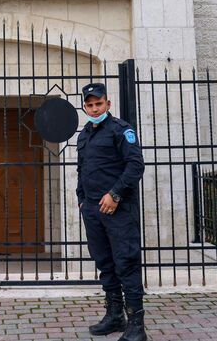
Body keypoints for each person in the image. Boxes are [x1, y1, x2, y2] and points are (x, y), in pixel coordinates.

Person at [76, 82, 147, 341]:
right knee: (104, 263)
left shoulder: (121, 130)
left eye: (99, 104)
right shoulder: (84, 134)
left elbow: (135, 166)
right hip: (93, 210)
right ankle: (115, 316)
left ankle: (137, 325)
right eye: (90, 105)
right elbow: (81, 170)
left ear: (108, 104)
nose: (95, 109)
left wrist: (115, 195)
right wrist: (82, 199)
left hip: (118, 209)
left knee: (126, 263)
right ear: (85, 107)